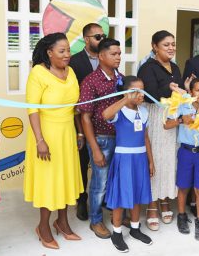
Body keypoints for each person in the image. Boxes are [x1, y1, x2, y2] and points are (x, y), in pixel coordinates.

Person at [24, 33, 84, 250]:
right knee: (49, 182)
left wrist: (79, 133)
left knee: (65, 179)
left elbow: (74, 107)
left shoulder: (71, 72)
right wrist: (40, 140)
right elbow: (32, 109)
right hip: (46, 134)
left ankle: (62, 222)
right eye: (62, 51)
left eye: (68, 50)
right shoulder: (38, 73)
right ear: (49, 53)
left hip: (67, 133)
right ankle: (43, 226)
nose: (67, 55)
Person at [137, 30, 185, 231]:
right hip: (155, 118)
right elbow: (149, 95)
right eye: (166, 45)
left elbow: (181, 90)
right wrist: (171, 90)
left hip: (172, 118)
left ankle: (165, 199)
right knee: (154, 161)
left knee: (168, 160)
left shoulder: (174, 66)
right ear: (155, 46)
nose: (171, 48)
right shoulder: (147, 67)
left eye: (173, 44)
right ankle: (152, 205)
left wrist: (181, 91)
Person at [102, 76, 154, 252]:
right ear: (127, 92)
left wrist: (151, 160)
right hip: (124, 159)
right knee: (120, 196)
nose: (141, 94)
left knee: (137, 194)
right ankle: (117, 232)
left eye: (143, 90)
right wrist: (125, 99)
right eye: (136, 91)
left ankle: (134, 228)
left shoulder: (144, 111)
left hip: (140, 159)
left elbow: (145, 137)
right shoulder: (120, 111)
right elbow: (105, 115)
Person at [78, 38, 123, 239]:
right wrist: (94, 148)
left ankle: (116, 215)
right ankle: (95, 220)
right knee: (99, 184)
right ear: (100, 56)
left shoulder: (121, 79)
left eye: (119, 54)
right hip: (101, 139)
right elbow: (85, 117)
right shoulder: (90, 81)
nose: (118, 57)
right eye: (114, 54)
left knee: (115, 180)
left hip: (122, 138)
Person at [165, 78, 199, 241]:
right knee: (183, 187)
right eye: (198, 90)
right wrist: (181, 120)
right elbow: (166, 124)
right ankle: (181, 216)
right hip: (186, 152)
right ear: (191, 92)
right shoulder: (183, 107)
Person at [69, 23, 106, 221]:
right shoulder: (74, 62)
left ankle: (103, 198)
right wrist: (79, 130)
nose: (101, 39)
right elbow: (73, 97)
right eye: (97, 36)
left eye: (103, 35)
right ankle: (82, 200)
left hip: (105, 121)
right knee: (83, 162)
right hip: (82, 120)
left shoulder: (107, 57)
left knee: (104, 161)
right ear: (86, 39)